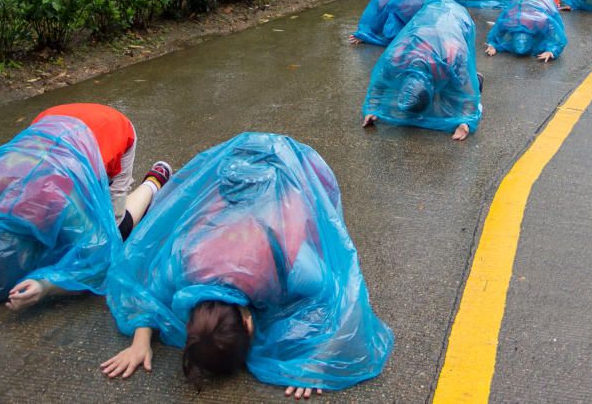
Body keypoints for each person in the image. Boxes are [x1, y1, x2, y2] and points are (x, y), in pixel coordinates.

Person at [100, 133, 393, 398]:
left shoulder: (292, 269)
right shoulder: (185, 266)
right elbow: (148, 291)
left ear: (249, 322)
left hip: (296, 166)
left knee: (325, 228)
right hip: (234, 169)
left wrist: (315, 364)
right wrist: (141, 341)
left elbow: (344, 299)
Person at [0, 103, 171, 308]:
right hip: (52, 119)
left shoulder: (64, 203)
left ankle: (154, 181)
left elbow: (102, 254)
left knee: (116, 230)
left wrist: (47, 287)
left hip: (110, 127)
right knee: (75, 236)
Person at [362, 0, 482, 140]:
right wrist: (372, 109)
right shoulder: (396, 59)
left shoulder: (452, 58)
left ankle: (478, 79)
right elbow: (379, 85)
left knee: (461, 84)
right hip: (428, 22)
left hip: (457, 19)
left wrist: (465, 122)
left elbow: (467, 94)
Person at [485, 0, 568, 62]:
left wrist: (552, 51)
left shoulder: (541, 21)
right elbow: (496, 31)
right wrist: (492, 45)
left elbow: (556, 34)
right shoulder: (509, 21)